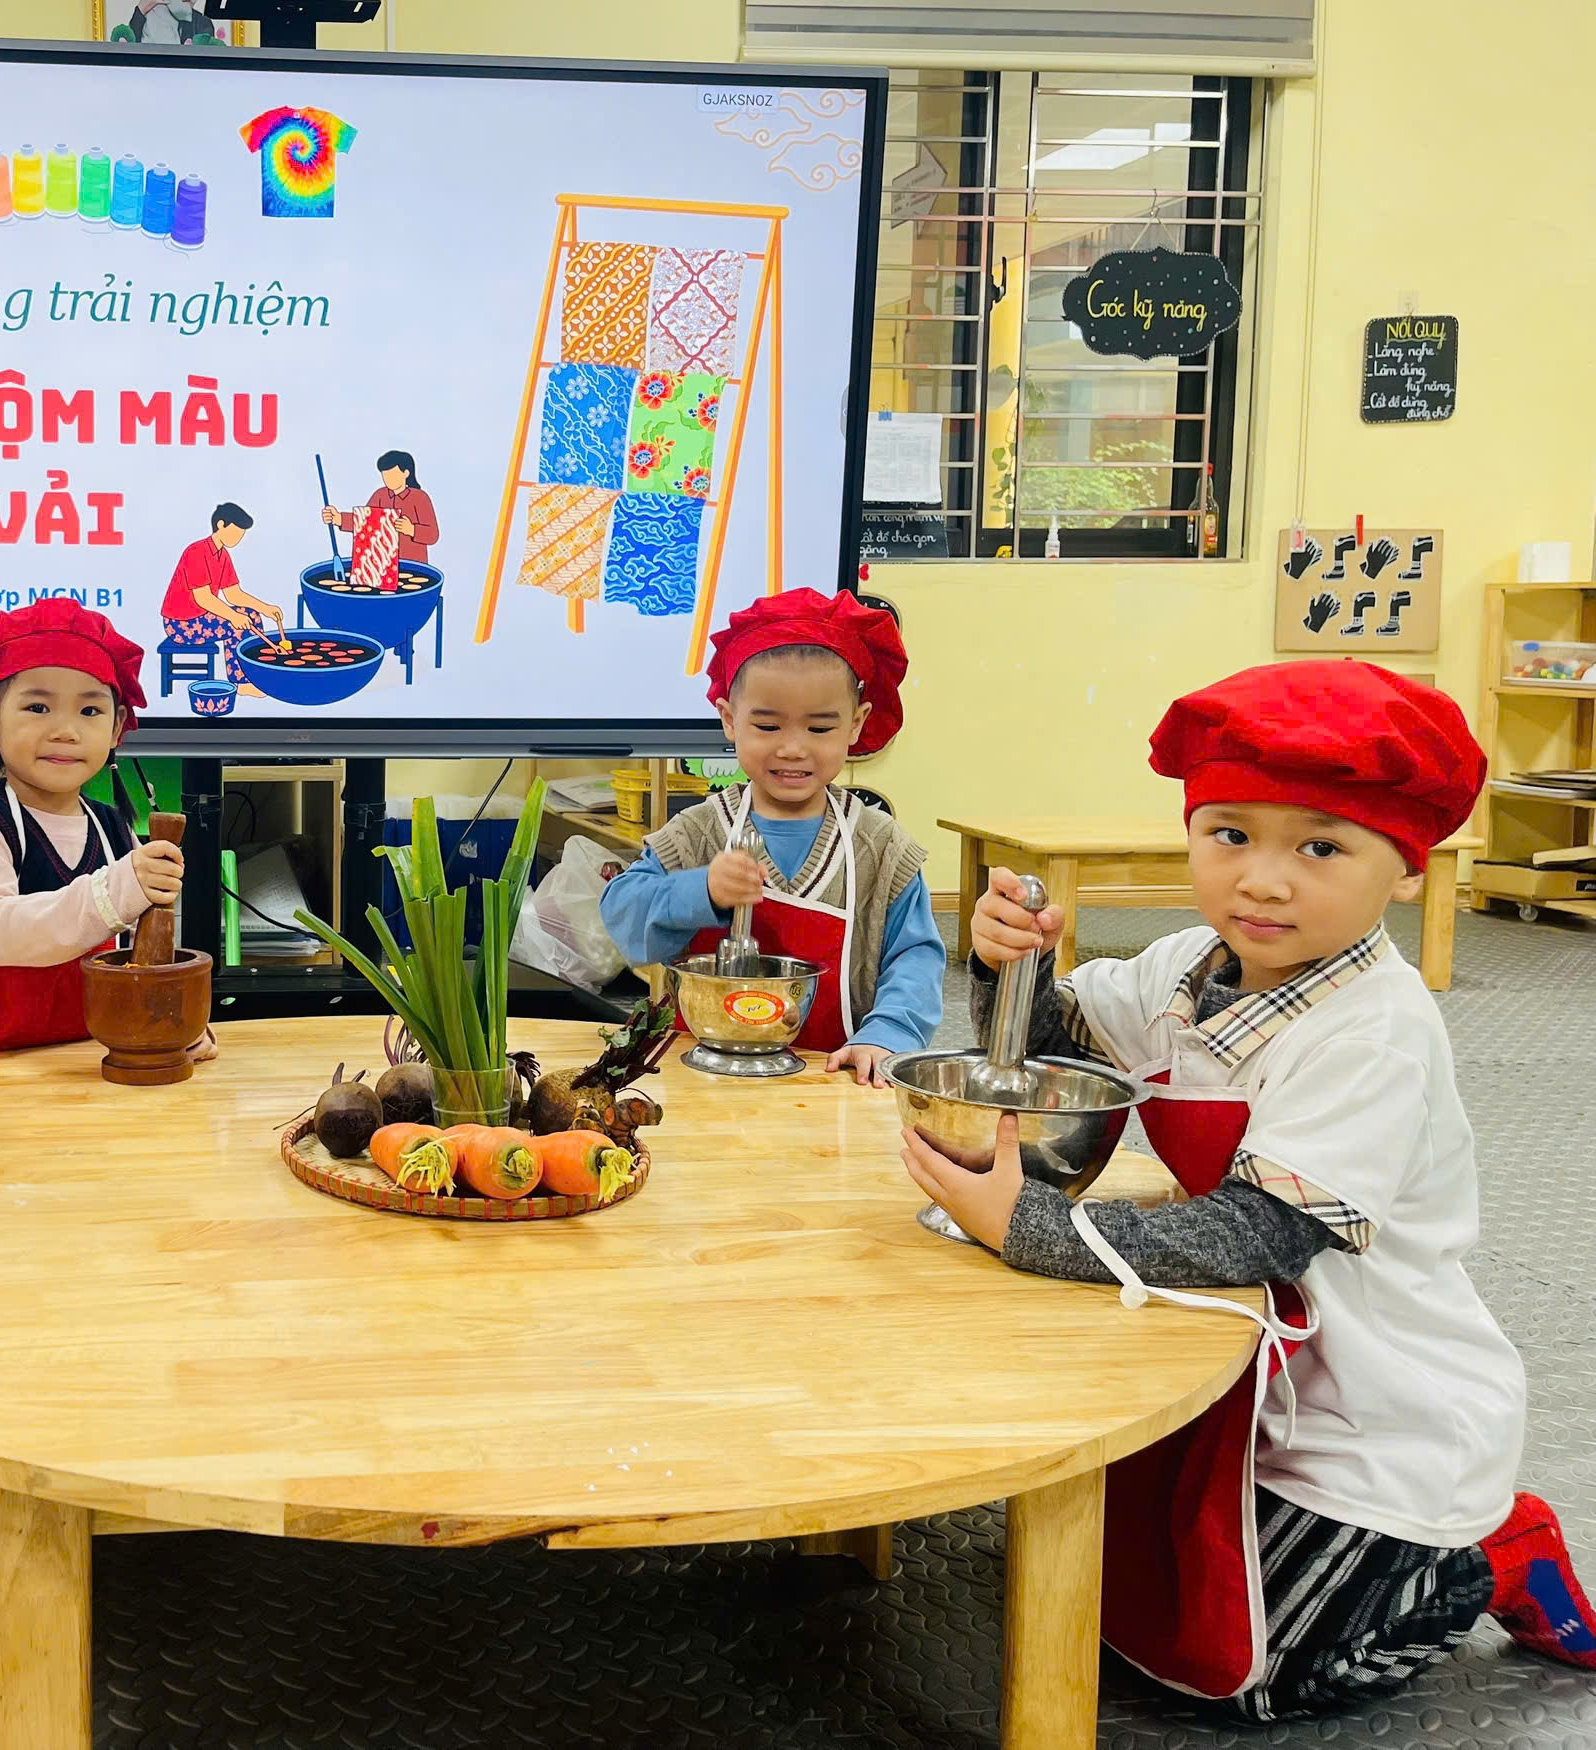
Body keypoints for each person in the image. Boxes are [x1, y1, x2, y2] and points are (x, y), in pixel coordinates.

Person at [906, 661, 1595, 1719]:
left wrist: (1030, 1228)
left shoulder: (1374, 1032)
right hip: (1238, 1353)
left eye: (1321, 848)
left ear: (1407, 872)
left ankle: (1492, 1553)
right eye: (1229, 834)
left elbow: (1260, 1234)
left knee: (1259, 1684)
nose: (1263, 882)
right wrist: (1012, 968)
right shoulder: (1190, 962)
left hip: (1372, 1405)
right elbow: (1061, 1053)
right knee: (1101, 1602)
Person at [598, 587, 941, 1083]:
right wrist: (701, 890)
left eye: (819, 729)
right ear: (729, 720)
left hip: (832, 1082)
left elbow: (916, 957)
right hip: (700, 1078)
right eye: (767, 726)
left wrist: (888, 1033)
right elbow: (623, 914)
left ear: (856, 724)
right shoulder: (697, 832)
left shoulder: (880, 848)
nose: (793, 749)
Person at [0, 597, 208, 1065]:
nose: (66, 731)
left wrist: (169, 1020)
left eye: (90, 711)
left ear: (117, 727)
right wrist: (118, 890)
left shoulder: (113, 828)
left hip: (82, 1060)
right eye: (38, 707)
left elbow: (139, 954)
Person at [158, 502, 284, 694]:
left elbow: (234, 594)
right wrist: (233, 617)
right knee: (237, 625)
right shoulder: (196, 551)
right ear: (221, 525)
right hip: (180, 624)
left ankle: (256, 674)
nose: (239, 537)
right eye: (236, 531)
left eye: (242, 533)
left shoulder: (222, 555)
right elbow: (203, 598)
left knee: (252, 615)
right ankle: (241, 683)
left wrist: (266, 608)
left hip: (202, 617)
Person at [322, 449, 440, 589]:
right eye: (385, 475)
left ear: (406, 473)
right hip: (381, 570)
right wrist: (339, 518)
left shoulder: (420, 498)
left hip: (412, 569)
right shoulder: (380, 495)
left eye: (392, 475)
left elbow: (433, 535)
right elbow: (364, 521)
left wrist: (412, 529)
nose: (388, 479)